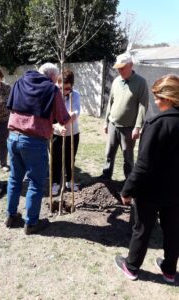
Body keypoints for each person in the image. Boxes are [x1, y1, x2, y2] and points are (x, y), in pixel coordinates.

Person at [115, 74, 179, 284]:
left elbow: (143, 164)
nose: (155, 101)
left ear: (169, 98)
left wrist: (127, 190)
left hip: (150, 191)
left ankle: (131, 266)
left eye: (158, 97)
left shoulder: (156, 123)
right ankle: (170, 271)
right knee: (173, 230)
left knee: (142, 228)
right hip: (175, 191)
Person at [5, 63, 76, 234]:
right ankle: (31, 223)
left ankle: (11, 216)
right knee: (36, 183)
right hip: (33, 142)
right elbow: (62, 118)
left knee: (15, 179)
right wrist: (71, 117)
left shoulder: (19, 83)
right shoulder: (51, 89)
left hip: (13, 137)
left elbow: (13, 106)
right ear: (52, 77)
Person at [101, 52, 149, 180]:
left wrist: (138, 127)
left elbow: (143, 106)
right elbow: (110, 102)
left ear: (131, 65)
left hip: (128, 128)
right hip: (113, 124)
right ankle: (106, 177)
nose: (120, 70)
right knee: (109, 153)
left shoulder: (141, 82)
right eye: (118, 68)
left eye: (122, 67)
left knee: (128, 157)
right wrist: (106, 122)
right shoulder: (116, 81)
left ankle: (128, 181)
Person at [52, 69, 80, 195]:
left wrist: (65, 121)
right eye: (61, 88)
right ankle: (55, 183)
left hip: (72, 133)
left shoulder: (76, 95)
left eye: (67, 89)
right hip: (56, 133)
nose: (64, 92)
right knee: (55, 159)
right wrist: (58, 126)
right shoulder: (52, 94)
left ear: (72, 86)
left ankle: (69, 181)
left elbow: (75, 113)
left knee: (70, 158)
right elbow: (50, 115)